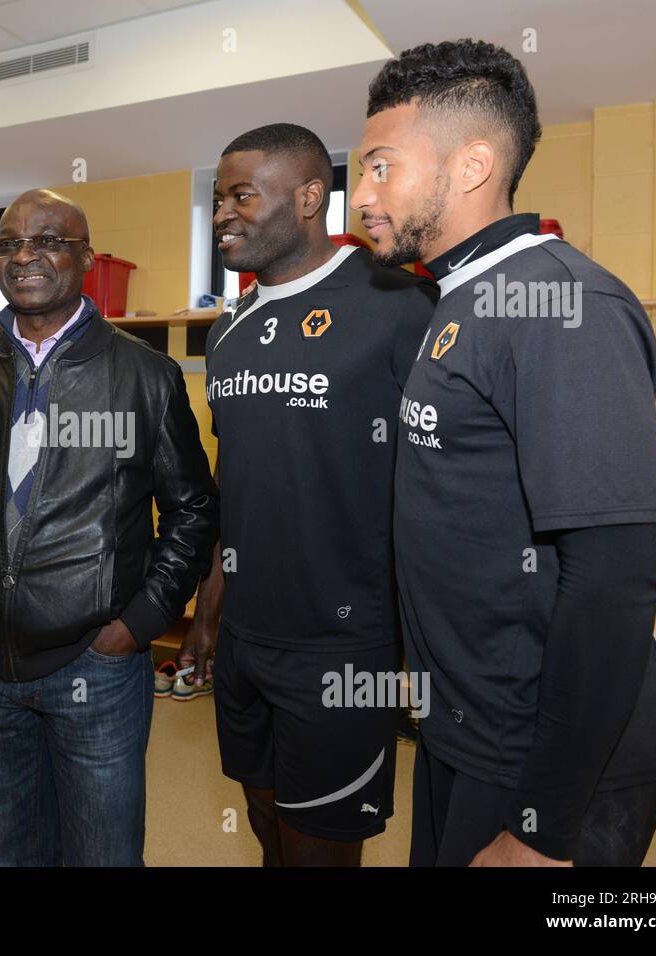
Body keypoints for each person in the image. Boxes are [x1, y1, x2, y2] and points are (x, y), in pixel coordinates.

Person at [352, 39, 656, 866]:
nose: (362, 196)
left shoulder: (562, 305)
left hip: (549, 760)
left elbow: (614, 578)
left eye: (382, 167)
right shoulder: (459, 298)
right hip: (467, 728)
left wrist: (543, 827)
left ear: (471, 165)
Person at [0, 188, 218, 866]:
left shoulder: (145, 374)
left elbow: (193, 509)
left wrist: (140, 623)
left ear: (86, 257)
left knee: (103, 854)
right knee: (13, 850)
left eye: (49, 239)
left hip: (96, 662)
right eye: (7, 243)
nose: (24, 255)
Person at [180, 124, 437, 866]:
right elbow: (237, 475)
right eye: (217, 198)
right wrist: (208, 610)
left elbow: (446, 477)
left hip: (345, 648)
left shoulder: (397, 302)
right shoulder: (227, 330)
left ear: (308, 197)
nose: (223, 213)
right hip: (245, 640)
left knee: (319, 847)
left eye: (241, 196)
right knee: (264, 822)